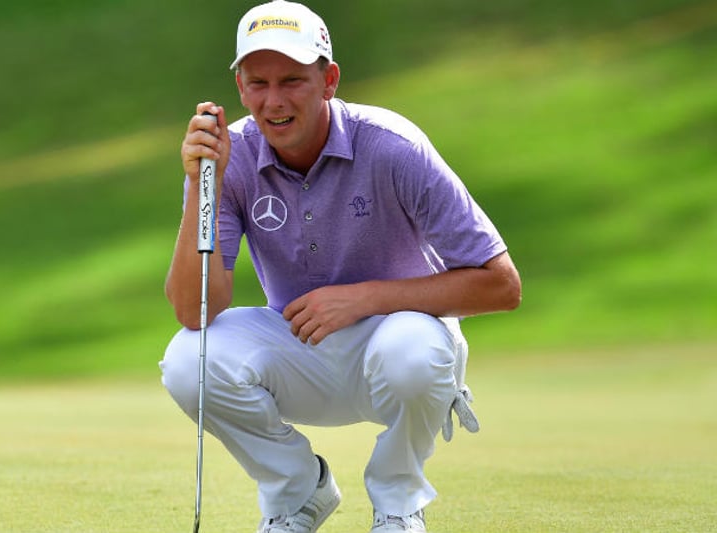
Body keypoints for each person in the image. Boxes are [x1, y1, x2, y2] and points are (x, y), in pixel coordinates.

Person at [159, 2, 522, 532]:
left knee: (412, 351)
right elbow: (195, 311)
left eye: (292, 80)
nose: (274, 100)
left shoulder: (393, 146)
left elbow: (501, 285)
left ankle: (398, 507)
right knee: (189, 359)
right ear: (239, 86)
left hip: (400, 347)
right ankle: (299, 496)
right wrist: (200, 185)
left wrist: (366, 298)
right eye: (257, 82)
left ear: (329, 80)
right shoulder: (226, 157)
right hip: (299, 350)